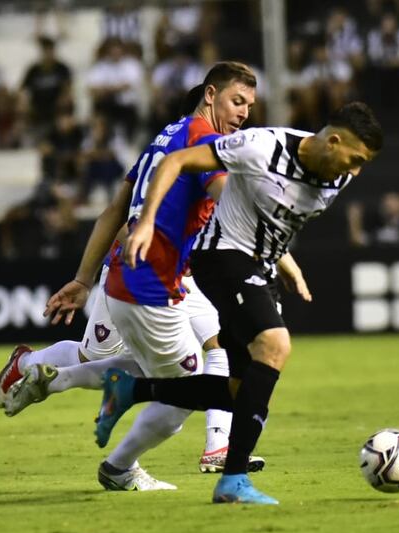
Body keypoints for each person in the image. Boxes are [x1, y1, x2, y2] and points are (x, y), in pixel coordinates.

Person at [0, 62, 282, 489]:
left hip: (161, 276)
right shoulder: (204, 144)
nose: (244, 113)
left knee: (207, 346)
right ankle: (61, 396)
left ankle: (217, 444)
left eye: (249, 106)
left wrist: (81, 279)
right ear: (209, 95)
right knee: (177, 388)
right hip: (144, 277)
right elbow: (223, 203)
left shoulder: (164, 138)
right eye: (237, 102)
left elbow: (116, 209)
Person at [94, 101, 383, 505]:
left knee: (239, 390)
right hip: (221, 256)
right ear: (333, 141)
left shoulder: (340, 175)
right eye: (354, 159)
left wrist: (287, 265)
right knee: (275, 345)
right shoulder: (260, 147)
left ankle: (131, 389)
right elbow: (176, 161)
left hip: (258, 267)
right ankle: (232, 480)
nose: (354, 172)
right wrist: (144, 223)